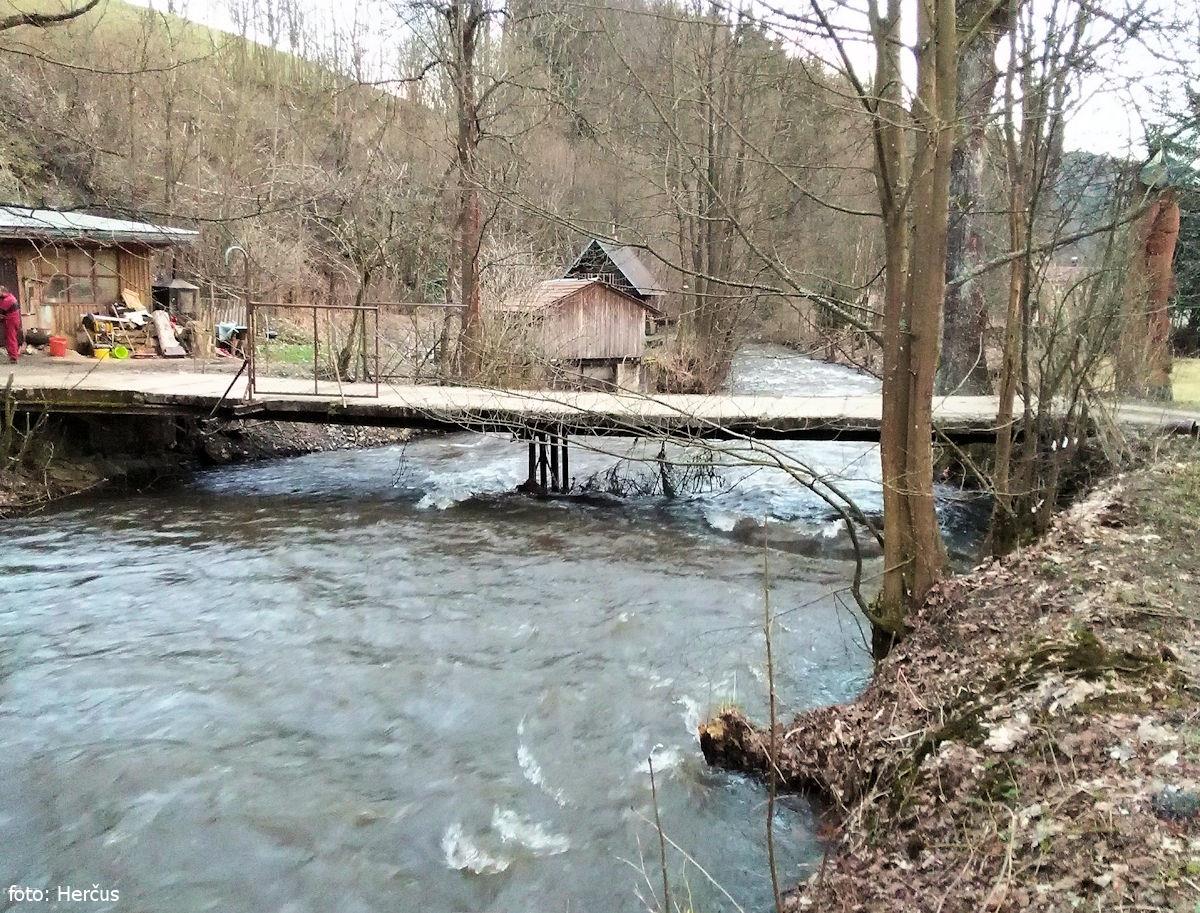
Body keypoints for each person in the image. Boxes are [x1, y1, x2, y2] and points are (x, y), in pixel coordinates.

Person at [0, 285, 19, 364]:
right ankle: (13, 355)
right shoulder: (9, 297)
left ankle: (14, 357)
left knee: (11, 338)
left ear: (3, 291)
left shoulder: (7, 300)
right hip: (12, 320)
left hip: (11, 321)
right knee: (11, 338)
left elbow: (1, 312)